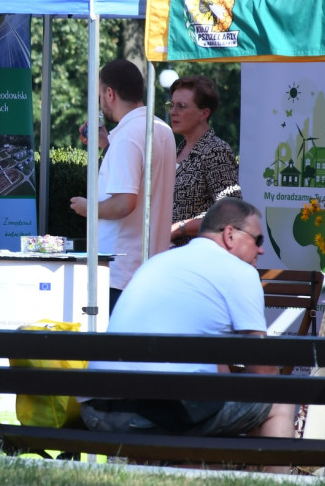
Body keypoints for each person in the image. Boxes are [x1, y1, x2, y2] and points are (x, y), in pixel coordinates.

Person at [79, 198, 294, 472]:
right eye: (257, 239)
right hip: (159, 415)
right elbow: (264, 374)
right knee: (279, 400)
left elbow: (217, 370)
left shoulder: (157, 262)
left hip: (98, 412)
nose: (262, 250)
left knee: (208, 413)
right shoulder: (240, 272)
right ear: (230, 235)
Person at [70, 59, 175, 310]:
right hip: (147, 267)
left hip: (120, 271)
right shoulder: (162, 128)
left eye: (100, 95)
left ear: (110, 93)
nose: (100, 102)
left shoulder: (128, 136)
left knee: (113, 347)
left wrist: (89, 208)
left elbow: (125, 202)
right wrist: (107, 144)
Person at [167, 75, 241, 247]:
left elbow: (231, 212)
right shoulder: (178, 149)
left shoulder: (216, 151)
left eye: (181, 106)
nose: (173, 112)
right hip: (172, 255)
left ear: (204, 113)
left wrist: (180, 228)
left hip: (200, 257)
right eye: (172, 105)